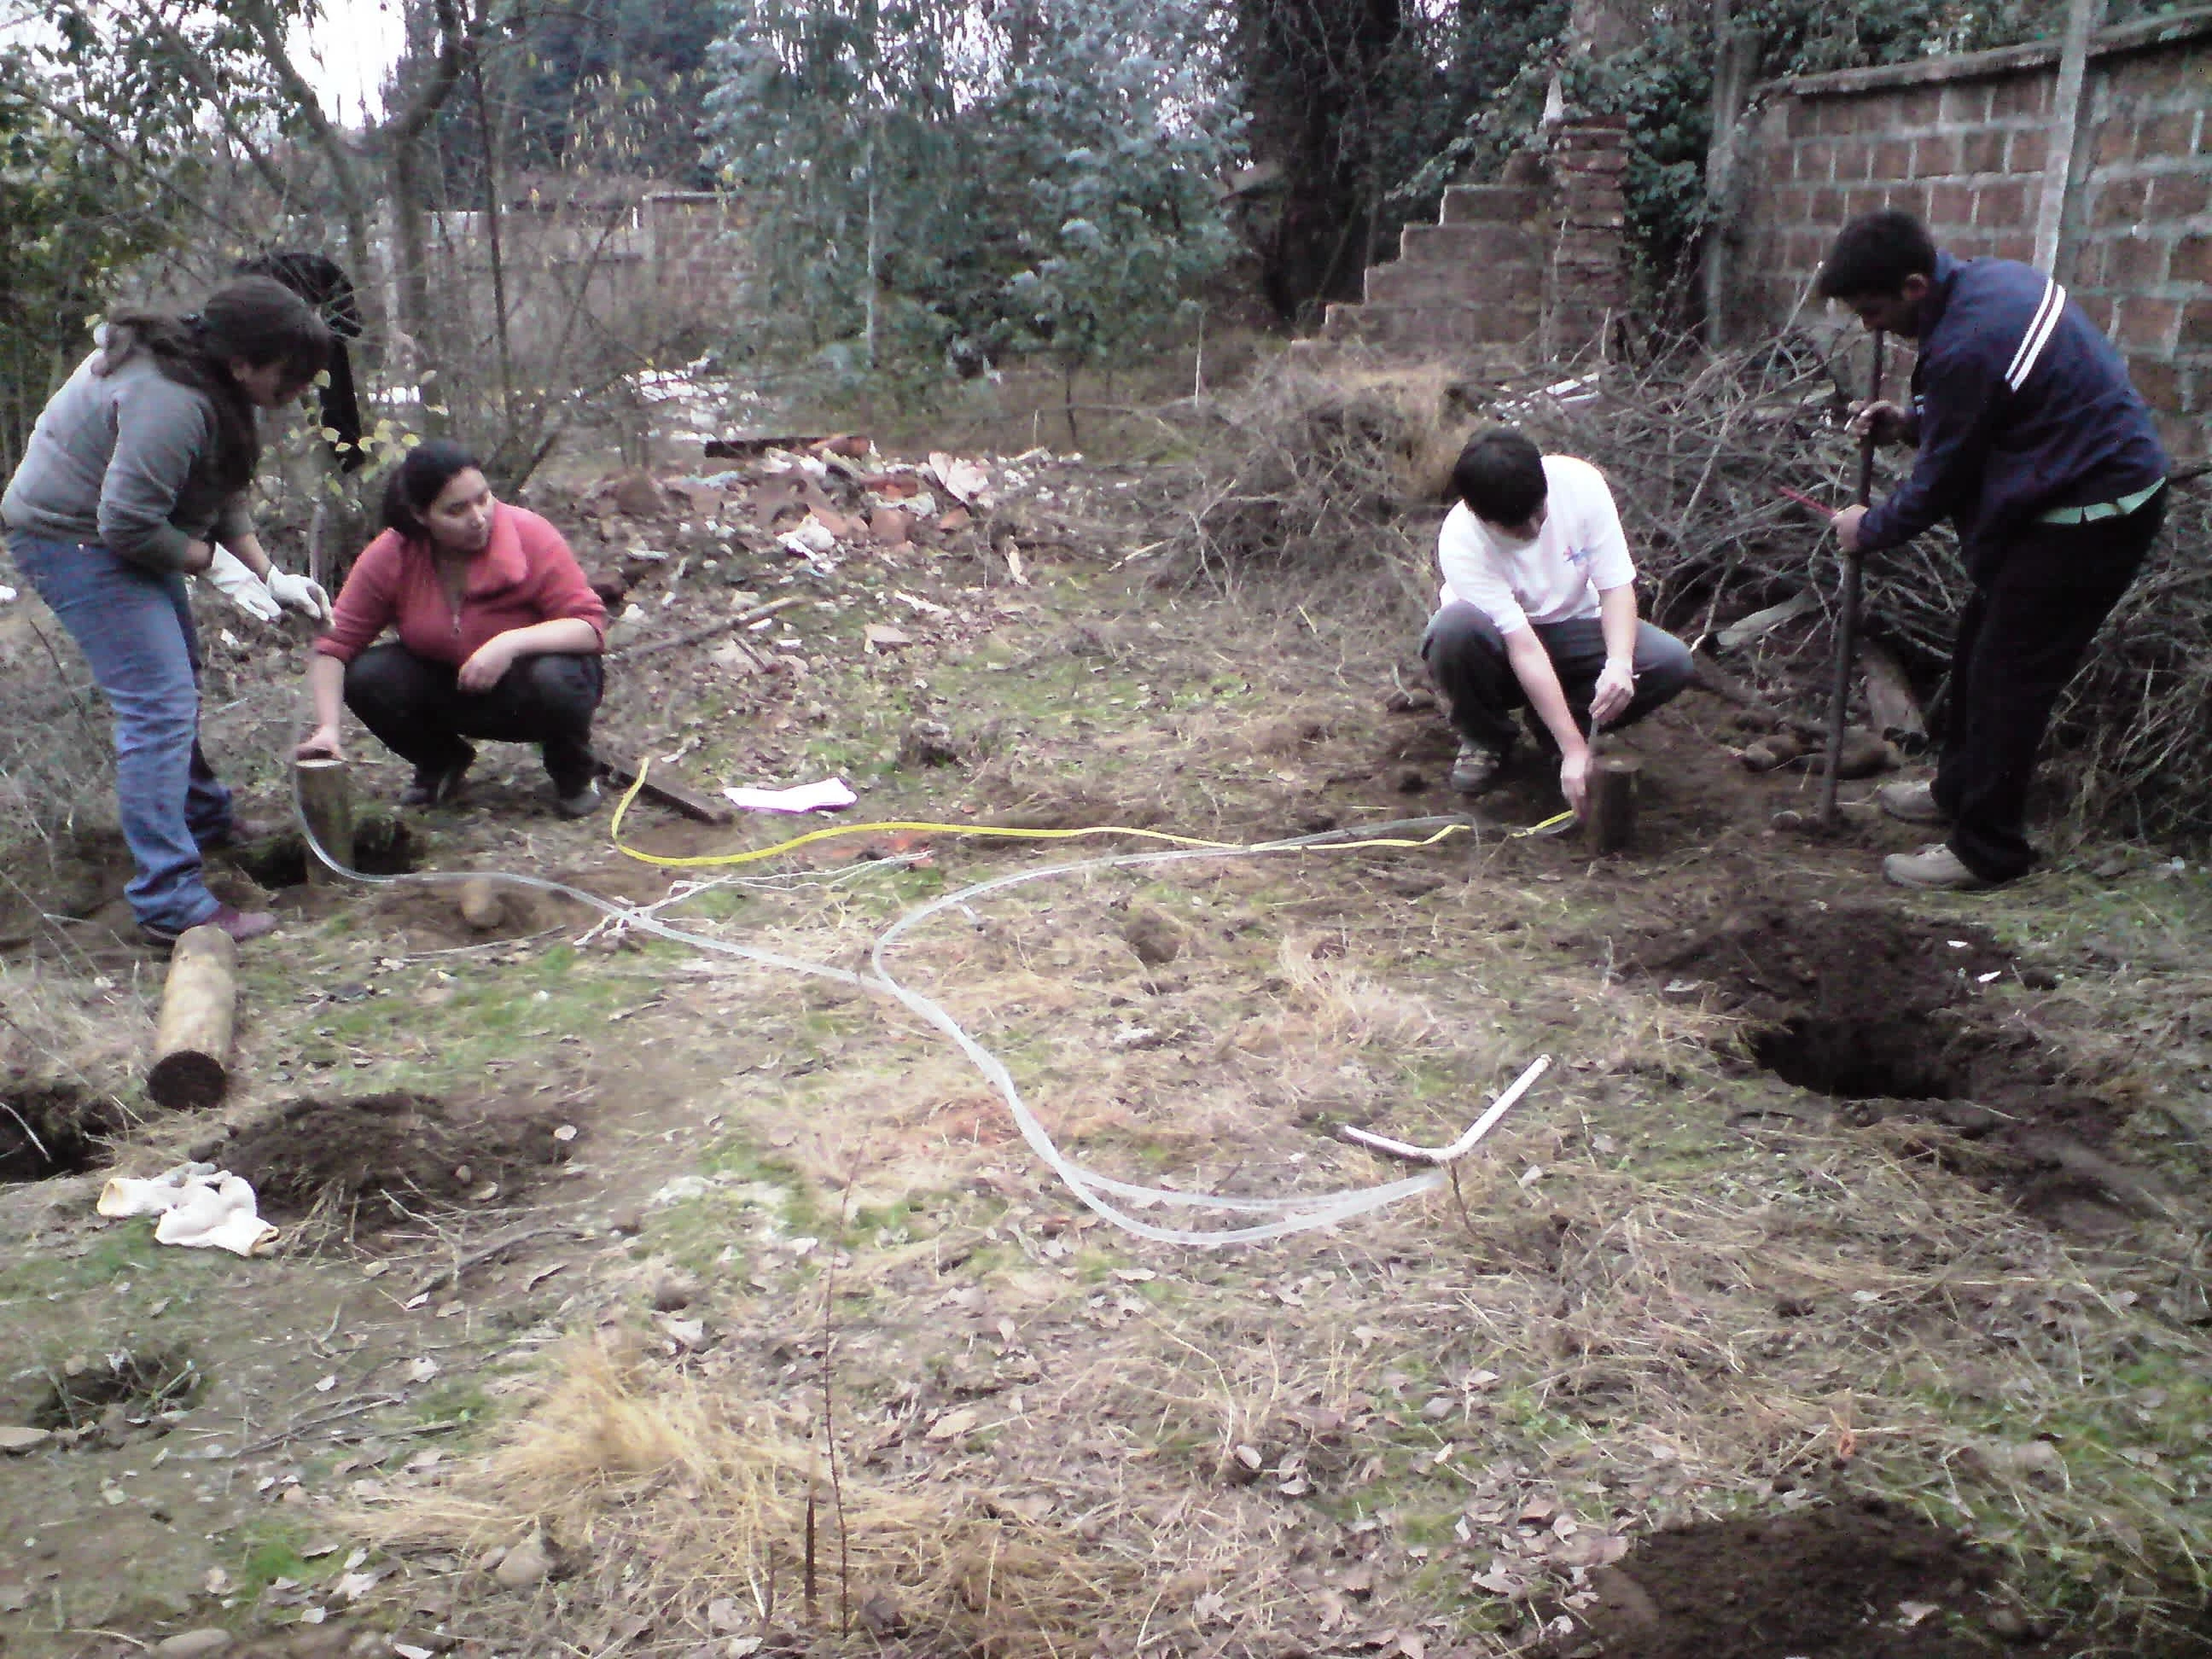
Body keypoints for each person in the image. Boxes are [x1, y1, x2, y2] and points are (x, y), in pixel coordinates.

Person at [1819, 209, 2168, 892]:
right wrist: (1911, 422)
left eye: (1874, 310)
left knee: (2010, 680)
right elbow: (1993, 411)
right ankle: (1956, 790)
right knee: (1980, 648)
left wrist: (1869, 528)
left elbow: (1940, 484)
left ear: (1916, 285)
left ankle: (1988, 849)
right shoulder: (1991, 284)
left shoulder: (1965, 344)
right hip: (2064, 491)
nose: (1870, 326)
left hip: (2093, 515)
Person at [2, 276, 334, 946]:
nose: (298, 390)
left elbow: (216, 487)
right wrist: (213, 565)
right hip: (69, 537)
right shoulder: (171, 398)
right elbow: (126, 525)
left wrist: (270, 576)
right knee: (157, 701)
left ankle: (204, 820)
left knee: (176, 672)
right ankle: (168, 898)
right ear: (243, 361)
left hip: (109, 527)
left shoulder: (215, 380)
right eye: (290, 375)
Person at [298, 440, 608, 816]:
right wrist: (328, 729)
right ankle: (441, 761)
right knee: (367, 676)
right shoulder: (391, 555)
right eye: (456, 510)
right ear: (420, 516)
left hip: (535, 689)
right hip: (453, 685)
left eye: (483, 498)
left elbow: (590, 627)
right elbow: (334, 645)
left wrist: (509, 643)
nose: (478, 517)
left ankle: (574, 772)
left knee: (556, 677)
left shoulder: (531, 534)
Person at [1421, 428, 1692, 815]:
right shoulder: (1461, 540)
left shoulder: (1581, 484)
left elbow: (1616, 586)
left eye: (1538, 514)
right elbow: (1523, 645)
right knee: (1453, 629)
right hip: (1498, 649)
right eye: (1515, 528)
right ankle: (1487, 738)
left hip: (1576, 629)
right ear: (1480, 516)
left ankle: (1554, 728)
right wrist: (1576, 749)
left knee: (1670, 660)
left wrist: (1618, 664)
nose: (1533, 531)